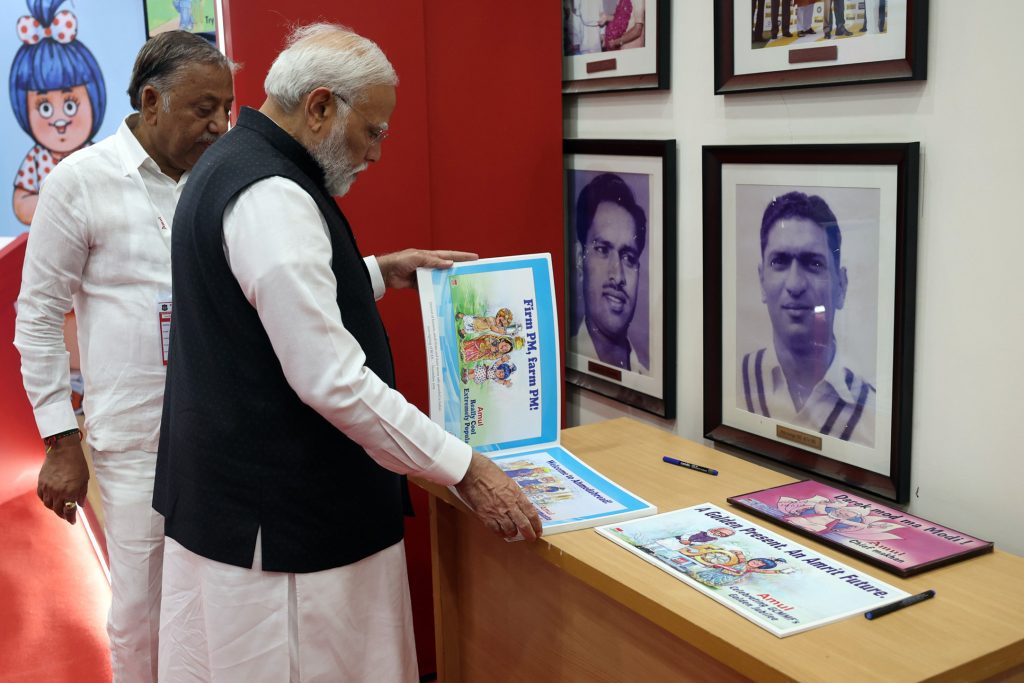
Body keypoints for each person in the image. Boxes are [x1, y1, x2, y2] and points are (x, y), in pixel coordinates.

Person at [154, 23, 543, 681]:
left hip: (240, 507)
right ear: (320, 107)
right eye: (373, 130)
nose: (377, 153)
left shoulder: (235, 162)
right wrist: (464, 467)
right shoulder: (273, 194)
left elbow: (259, 298)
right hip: (287, 534)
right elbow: (331, 378)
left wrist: (375, 273)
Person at [13, 30, 235, 682]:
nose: (220, 125)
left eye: (227, 108)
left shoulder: (221, 180)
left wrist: (372, 273)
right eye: (205, 108)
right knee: (143, 612)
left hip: (224, 436)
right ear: (152, 101)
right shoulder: (79, 183)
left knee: (218, 605)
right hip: (138, 443)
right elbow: (37, 317)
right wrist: (60, 441)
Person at [739, 191, 875, 446]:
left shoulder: (873, 416)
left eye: (813, 264)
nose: (795, 284)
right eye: (779, 262)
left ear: (841, 286)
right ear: (761, 281)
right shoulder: (734, 383)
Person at [9, 0, 107, 225]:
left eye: (70, 104)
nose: (59, 119)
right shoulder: (36, 159)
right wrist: (57, 205)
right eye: (44, 108)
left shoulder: (96, 154)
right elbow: (20, 203)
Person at [571, 172, 648, 373]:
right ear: (579, 260)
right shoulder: (557, 361)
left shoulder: (648, 380)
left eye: (628, 258)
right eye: (603, 250)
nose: (618, 276)